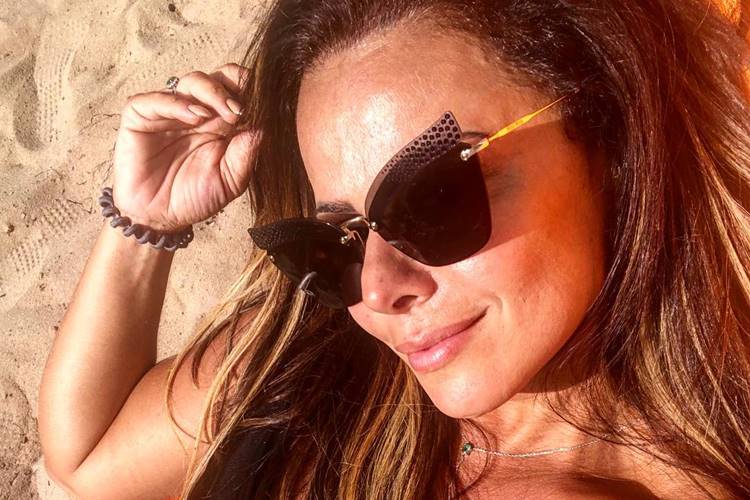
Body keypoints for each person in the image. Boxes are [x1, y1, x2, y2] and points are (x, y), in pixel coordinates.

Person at [38, 0, 750, 498]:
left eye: (434, 198)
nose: (378, 288)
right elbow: (90, 459)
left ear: (604, 134)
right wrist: (144, 222)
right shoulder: (323, 369)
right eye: (337, 239)